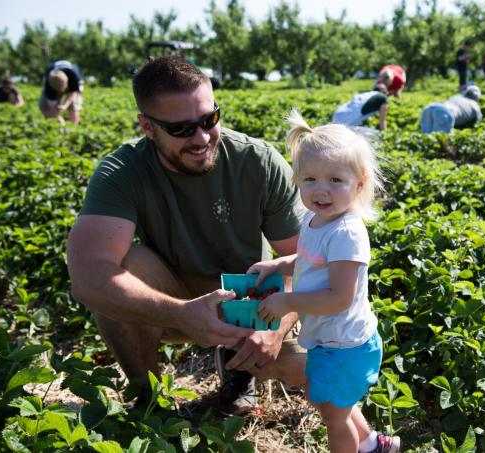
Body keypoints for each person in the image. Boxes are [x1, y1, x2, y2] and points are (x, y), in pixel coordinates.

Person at [66, 56, 307, 416]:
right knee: (120, 271)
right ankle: (152, 404)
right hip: (172, 295)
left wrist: (278, 325)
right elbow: (87, 277)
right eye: (181, 129)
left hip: (251, 299)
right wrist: (182, 313)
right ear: (148, 127)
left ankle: (240, 373)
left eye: (209, 120)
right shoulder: (124, 171)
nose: (201, 138)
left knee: (315, 362)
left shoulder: (256, 161)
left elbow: (309, 261)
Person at [250, 110, 400, 453]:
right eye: (310, 179)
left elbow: (339, 297)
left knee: (334, 417)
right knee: (330, 405)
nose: (321, 190)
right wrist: (279, 265)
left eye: (335, 180)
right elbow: (310, 261)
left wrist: (286, 302)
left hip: (345, 345)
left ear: (359, 184)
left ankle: (358, 446)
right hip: (328, 339)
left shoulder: (347, 233)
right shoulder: (316, 220)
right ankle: (373, 445)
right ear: (297, 180)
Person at [39, 60, 84, 125]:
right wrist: (57, 113)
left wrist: (65, 105)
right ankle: (58, 126)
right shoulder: (48, 83)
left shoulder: (73, 76)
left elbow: (73, 93)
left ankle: (73, 128)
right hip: (52, 83)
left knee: (74, 106)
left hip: (76, 82)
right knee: (44, 105)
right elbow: (51, 103)